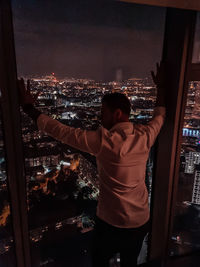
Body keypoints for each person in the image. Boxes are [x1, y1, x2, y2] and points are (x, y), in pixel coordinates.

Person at [18, 62, 166, 267]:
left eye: (103, 112)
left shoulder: (103, 141)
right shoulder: (145, 135)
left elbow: (61, 131)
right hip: (139, 221)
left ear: (117, 114)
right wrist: (162, 88)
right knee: (130, 262)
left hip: (110, 223)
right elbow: (159, 115)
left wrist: (28, 108)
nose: (100, 117)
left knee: (99, 262)